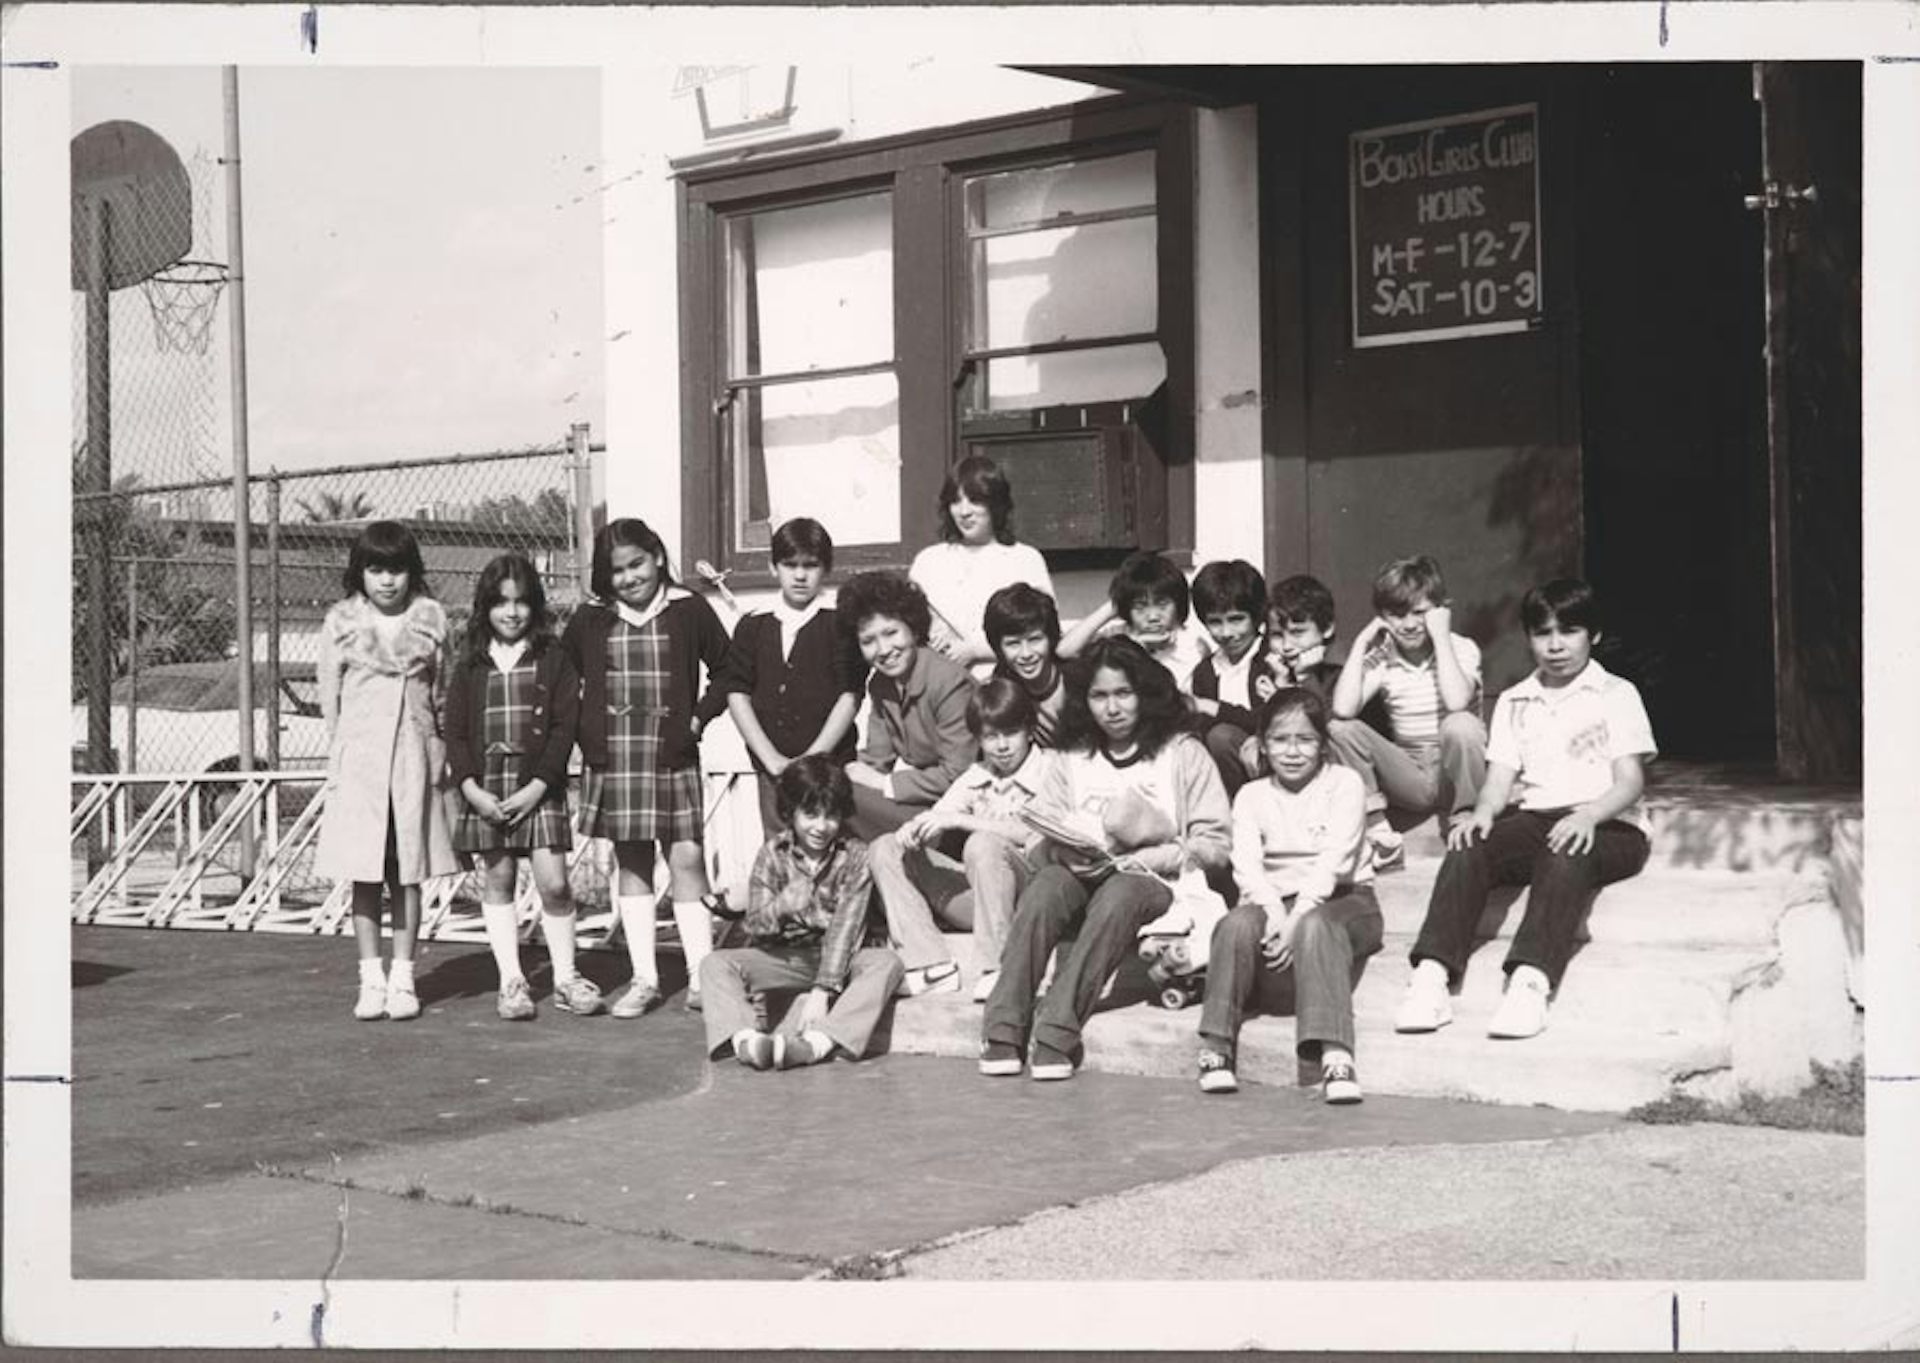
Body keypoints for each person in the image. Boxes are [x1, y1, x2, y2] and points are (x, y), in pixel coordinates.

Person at [1394, 578, 1656, 1041]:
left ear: (1593, 635)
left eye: (1569, 631)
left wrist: (1588, 815)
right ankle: (1432, 976)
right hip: (1538, 820)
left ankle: (1530, 984)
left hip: (1611, 824)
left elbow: (1630, 782)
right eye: (1543, 633)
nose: (1555, 646)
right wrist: (1483, 813)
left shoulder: (1616, 693)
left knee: (1566, 851)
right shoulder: (1516, 699)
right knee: (1470, 844)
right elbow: (1499, 782)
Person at [980, 636, 1231, 1081]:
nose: (1111, 708)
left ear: (1144, 695)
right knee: (1045, 888)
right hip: (1083, 871)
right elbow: (1043, 830)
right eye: (1099, 696)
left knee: (1120, 890)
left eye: (1123, 693)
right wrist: (1063, 852)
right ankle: (1003, 1026)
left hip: (1155, 882)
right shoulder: (1071, 756)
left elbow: (1215, 842)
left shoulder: (1181, 752)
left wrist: (1155, 855)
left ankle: (1057, 1029)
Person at [562, 518, 732, 1018]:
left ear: (657, 556)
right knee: (631, 860)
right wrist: (583, 736)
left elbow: (726, 670)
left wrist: (698, 719)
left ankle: (704, 979)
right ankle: (645, 978)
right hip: (615, 755)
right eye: (616, 571)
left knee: (685, 858)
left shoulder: (689, 610)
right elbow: (564, 679)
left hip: (671, 752)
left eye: (637, 563)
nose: (629, 577)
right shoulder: (590, 620)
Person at [1196, 688, 1381, 1101]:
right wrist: (1275, 914)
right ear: (1262, 744)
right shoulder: (1251, 795)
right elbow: (1246, 866)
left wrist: (1295, 919)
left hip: (1346, 900)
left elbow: (1335, 859)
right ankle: (1216, 1046)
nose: (1292, 751)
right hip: (1275, 902)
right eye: (1280, 740)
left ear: (1323, 744)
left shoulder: (1345, 784)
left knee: (1315, 925)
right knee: (1234, 924)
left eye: (1305, 740)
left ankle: (1334, 1054)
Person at [445, 553, 601, 1021]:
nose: (511, 613)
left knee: (554, 883)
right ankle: (511, 980)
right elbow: (454, 732)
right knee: (498, 879)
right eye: (500, 603)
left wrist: (539, 786)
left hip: (538, 788)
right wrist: (471, 790)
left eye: (520, 602)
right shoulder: (470, 663)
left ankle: (565, 977)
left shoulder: (553, 657)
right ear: (484, 607)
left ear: (534, 605)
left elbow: (563, 727)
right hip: (487, 788)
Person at [314, 520, 458, 1022]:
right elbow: (329, 697)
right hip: (361, 763)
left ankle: (403, 978)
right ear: (361, 573)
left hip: (414, 758)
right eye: (376, 569)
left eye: (396, 569)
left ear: (411, 572)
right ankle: (370, 978)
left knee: (408, 870)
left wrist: (438, 747)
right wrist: (345, 754)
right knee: (365, 872)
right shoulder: (341, 623)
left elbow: (443, 693)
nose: (387, 581)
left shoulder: (432, 620)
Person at [700, 756, 906, 1070]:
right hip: (787, 957)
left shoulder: (855, 856)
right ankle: (745, 1041)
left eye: (831, 816)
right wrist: (783, 906)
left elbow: (846, 931)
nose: (821, 827)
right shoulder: (773, 853)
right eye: (811, 814)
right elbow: (754, 925)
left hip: (842, 960)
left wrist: (822, 991)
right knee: (715, 963)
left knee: (887, 963)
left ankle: (817, 1044)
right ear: (790, 812)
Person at [869, 679, 1054, 1003]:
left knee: (983, 842)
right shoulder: (977, 774)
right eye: (990, 737)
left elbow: (1033, 832)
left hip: (1033, 896)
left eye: (1009, 734)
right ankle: (931, 964)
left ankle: (997, 969)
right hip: (983, 900)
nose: (1001, 746)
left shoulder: (1051, 768)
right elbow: (939, 816)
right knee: (885, 847)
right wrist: (916, 831)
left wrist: (959, 820)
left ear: (1028, 729)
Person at [1327, 554, 1488, 869]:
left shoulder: (1461, 647)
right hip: (1410, 772)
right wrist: (1361, 643)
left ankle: (1464, 815)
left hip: (1454, 772)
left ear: (1440, 611)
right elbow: (1343, 709)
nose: (1410, 624)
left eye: (1421, 612)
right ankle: (1378, 830)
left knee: (1460, 724)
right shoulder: (1383, 656)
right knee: (1339, 728)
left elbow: (1457, 701)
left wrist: (1441, 636)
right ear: (1382, 617)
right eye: (1397, 615)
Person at [715, 517, 866, 838]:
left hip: (828, 766)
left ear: (825, 569)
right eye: (789, 564)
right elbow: (736, 693)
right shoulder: (753, 625)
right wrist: (771, 759)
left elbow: (850, 694)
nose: (799, 575)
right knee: (782, 847)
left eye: (810, 565)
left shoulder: (839, 624)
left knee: (830, 844)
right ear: (773, 568)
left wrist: (814, 757)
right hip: (773, 770)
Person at [838, 570, 978, 841]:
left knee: (848, 806)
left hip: (966, 811)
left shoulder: (949, 682)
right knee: (837, 795)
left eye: (891, 633)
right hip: (927, 802)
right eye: (868, 641)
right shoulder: (880, 685)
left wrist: (883, 783)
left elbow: (959, 774)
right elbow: (876, 760)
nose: (883, 649)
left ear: (913, 629)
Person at [909, 455, 1055, 679]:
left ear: (996, 504)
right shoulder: (927, 562)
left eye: (975, 500)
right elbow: (907, 629)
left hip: (1007, 687)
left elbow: (1046, 633)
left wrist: (974, 650)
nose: (964, 511)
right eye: (955, 501)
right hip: (942, 687)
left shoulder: (1024, 559)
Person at [1185, 559, 1275, 797]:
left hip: (1275, 760)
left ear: (1256, 616)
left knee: (1222, 735)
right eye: (1215, 622)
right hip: (1225, 773)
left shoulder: (1273, 658)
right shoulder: (1206, 671)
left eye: (1236, 619)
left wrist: (1212, 708)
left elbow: (1275, 718)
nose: (1226, 633)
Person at [1059, 550, 1210, 691]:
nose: (1153, 617)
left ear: (1177, 604)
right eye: (1140, 606)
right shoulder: (1117, 636)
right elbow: (1065, 651)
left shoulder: (1194, 646)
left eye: (1162, 604)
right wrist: (1113, 606)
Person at [983, 582, 1067, 748]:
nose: (1026, 654)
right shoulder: (1004, 681)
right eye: (1013, 644)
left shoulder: (1073, 678)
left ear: (1050, 639)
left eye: (1035, 640)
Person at [1255, 574, 1342, 706]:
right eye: (1277, 635)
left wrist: (1305, 677)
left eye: (1297, 632)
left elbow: (1325, 723)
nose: (1286, 646)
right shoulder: (1271, 674)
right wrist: (1280, 682)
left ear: (1327, 629)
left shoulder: (1343, 678)